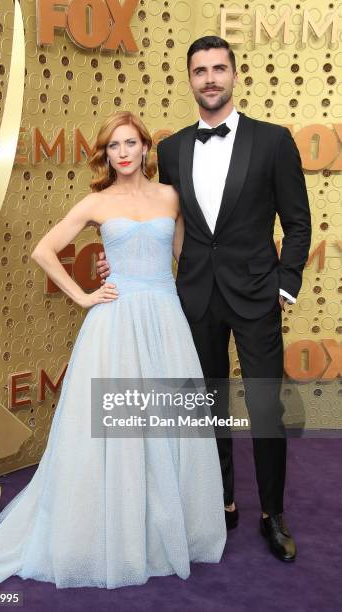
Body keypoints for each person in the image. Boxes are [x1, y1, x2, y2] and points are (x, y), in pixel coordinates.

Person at [0, 111, 226, 589]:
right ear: (106, 154)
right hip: (115, 323)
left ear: (147, 148)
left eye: (130, 143)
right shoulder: (96, 202)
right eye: (113, 146)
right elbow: (44, 250)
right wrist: (85, 295)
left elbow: (185, 259)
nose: (123, 153)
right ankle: (115, 531)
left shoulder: (171, 196)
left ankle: (162, 528)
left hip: (166, 320)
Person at [97, 37, 311, 563]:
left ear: (235, 75)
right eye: (200, 71)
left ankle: (272, 514)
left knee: (264, 407)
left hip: (258, 294)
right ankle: (221, 502)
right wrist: (118, 261)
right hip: (193, 296)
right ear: (188, 80)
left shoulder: (274, 141)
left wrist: (285, 284)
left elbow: (299, 221)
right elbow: (158, 218)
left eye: (219, 69)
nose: (210, 78)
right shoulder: (169, 151)